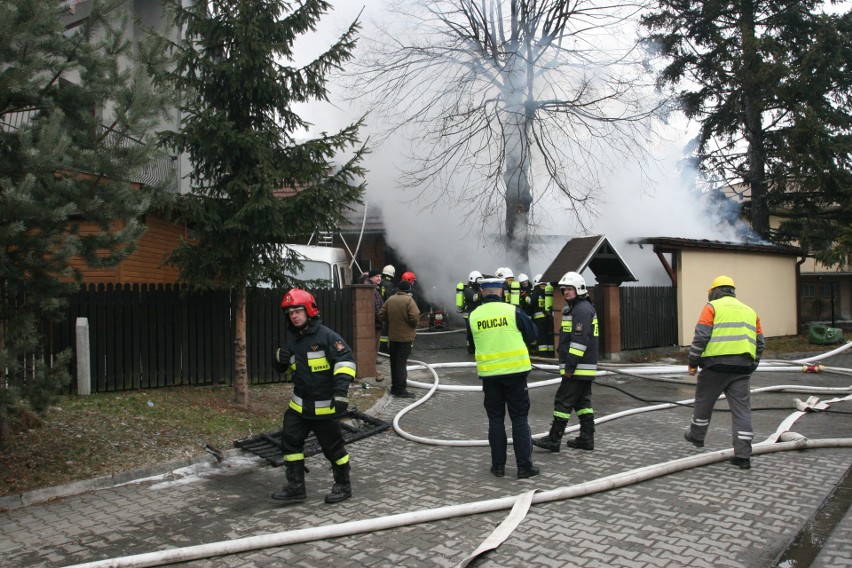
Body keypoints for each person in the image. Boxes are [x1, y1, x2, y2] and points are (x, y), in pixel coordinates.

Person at [271, 289, 357, 505]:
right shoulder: (293, 338)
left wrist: (340, 393)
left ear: (309, 311)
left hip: (325, 408)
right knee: (290, 444)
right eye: (290, 312)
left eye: (298, 311)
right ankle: (296, 487)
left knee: (334, 450)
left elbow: (345, 363)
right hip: (299, 408)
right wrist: (279, 360)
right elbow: (288, 367)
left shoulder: (327, 337)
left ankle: (343, 485)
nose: (294, 316)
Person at [684, 275, 764, 470]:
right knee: (742, 412)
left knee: (704, 404)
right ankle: (743, 456)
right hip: (742, 369)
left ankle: (697, 436)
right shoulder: (750, 311)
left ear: (714, 291)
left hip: (715, 367)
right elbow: (760, 342)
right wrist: (753, 364)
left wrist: (693, 362)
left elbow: (701, 337)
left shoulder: (712, 307)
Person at [468, 278, 540, 479]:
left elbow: (472, 345)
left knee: (496, 420)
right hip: (516, 375)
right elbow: (533, 334)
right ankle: (524, 467)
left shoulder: (474, 316)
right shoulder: (512, 311)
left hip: (490, 376)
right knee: (519, 420)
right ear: (501, 292)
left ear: (482, 293)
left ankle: (498, 466)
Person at [533, 271, 599, 452]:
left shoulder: (582, 310)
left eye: (569, 289)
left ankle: (554, 439)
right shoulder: (577, 308)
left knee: (563, 401)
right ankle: (586, 439)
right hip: (581, 367)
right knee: (582, 403)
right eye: (564, 290)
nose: (566, 292)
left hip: (577, 367)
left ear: (579, 289)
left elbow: (579, 341)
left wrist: (570, 366)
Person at [379, 278, 420, 398]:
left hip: (393, 337)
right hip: (405, 338)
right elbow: (415, 316)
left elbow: (381, 314)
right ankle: (401, 390)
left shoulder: (390, 299)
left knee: (394, 362)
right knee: (401, 364)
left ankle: (394, 388)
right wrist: (412, 326)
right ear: (408, 290)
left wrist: (390, 322)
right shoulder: (409, 300)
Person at [456, 270, 483, 354]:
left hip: (477, 313)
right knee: (471, 332)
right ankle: (471, 349)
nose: (480, 282)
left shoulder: (477, 289)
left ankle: (477, 347)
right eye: (478, 280)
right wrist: (482, 291)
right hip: (469, 314)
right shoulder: (468, 290)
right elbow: (474, 298)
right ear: (473, 280)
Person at [366, 269, 385, 382]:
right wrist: (381, 320)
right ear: (371, 277)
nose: (379, 278)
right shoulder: (370, 290)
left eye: (380, 276)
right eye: (377, 276)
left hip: (375, 324)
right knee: (373, 348)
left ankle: (372, 368)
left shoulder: (373, 289)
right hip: (374, 324)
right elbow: (376, 309)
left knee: (374, 348)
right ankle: (372, 370)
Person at [530, 274, 555, 356]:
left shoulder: (536, 291)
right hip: (550, 317)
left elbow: (532, 303)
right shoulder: (550, 290)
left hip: (539, 319)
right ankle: (551, 354)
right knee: (550, 335)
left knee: (542, 336)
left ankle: (543, 355)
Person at [377, 265, 396, 354]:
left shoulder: (379, 282)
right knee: (385, 329)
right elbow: (390, 298)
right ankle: (383, 348)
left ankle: (380, 347)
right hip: (385, 309)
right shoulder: (389, 284)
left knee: (380, 328)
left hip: (378, 308)